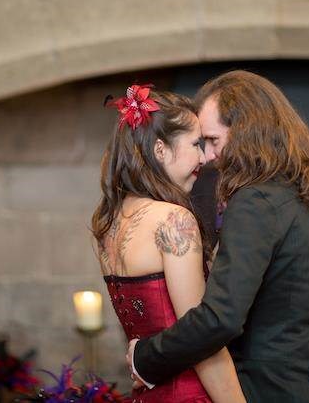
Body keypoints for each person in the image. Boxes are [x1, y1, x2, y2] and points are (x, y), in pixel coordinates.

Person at [128, 71, 309, 403]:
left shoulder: (256, 201)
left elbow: (221, 319)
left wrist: (145, 358)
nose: (207, 157)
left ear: (246, 132)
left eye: (213, 140)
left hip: (277, 390)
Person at [91, 84, 246, 403]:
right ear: (160, 150)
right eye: (196, 144)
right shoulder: (172, 220)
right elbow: (201, 341)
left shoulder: (107, 223)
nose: (205, 157)